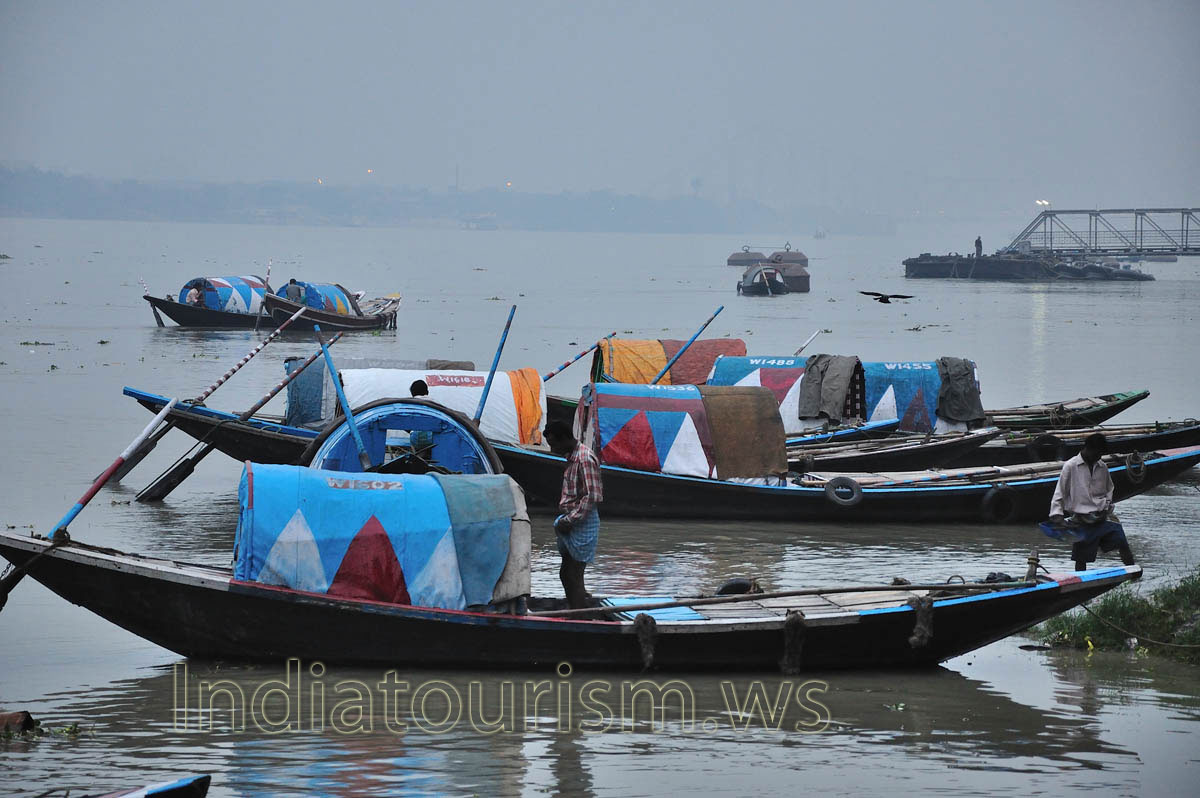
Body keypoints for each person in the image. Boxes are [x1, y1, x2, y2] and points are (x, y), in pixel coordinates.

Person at [1047, 433, 1135, 570]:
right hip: (1080, 520)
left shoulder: (1102, 467)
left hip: (1101, 517)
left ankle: (1134, 572)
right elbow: (1060, 493)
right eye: (1097, 453)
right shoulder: (1070, 466)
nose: (1098, 457)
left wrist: (1106, 506)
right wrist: (1057, 516)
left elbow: (1109, 489)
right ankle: (1080, 583)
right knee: (1081, 558)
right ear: (1088, 449)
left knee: (1122, 542)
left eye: (1100, 454)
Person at [544, 420, 603, 609]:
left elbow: (592, 496)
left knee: (572, 575)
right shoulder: (572, 457)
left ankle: (580, 616)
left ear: (564, 439)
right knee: (567, 574)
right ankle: (577, 609)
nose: (553, 450)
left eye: (554, 444)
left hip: (581, 521)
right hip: (572, 520)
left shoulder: (584, 458)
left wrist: (570, 520)